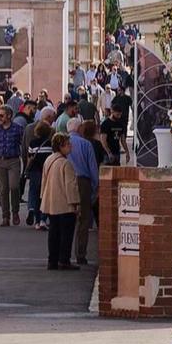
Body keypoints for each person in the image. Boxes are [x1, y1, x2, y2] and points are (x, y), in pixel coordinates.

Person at [64, 115, 100, 267]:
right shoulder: (86, 144)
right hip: (82, 181)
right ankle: (80, 254)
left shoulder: (62, 143)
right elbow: (93, 168)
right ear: (79, 128)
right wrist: (96, 186)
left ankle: (63, 254)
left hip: (65, 180)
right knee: (84, 219)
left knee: (64, 218)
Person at [43, 133, 80, 270]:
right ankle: (64, 260)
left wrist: (44, 198)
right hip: (65, 203)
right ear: (61, 146)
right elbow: (71, 186)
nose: (70, 146)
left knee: (54, 232)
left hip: (51, 201)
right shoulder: (66, 163)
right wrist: (76, 203)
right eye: (68, 144)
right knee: (66, 233)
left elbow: (44, 180)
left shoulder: (49, 160)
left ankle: (52, 260)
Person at [0, 105, 26, 227]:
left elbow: (23, 143)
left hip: (13, 160)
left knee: (14, 186)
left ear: (9, 116)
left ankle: (15, 211)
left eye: (2, 115)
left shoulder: (17, 128)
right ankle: (5, 216)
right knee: (3, 190)